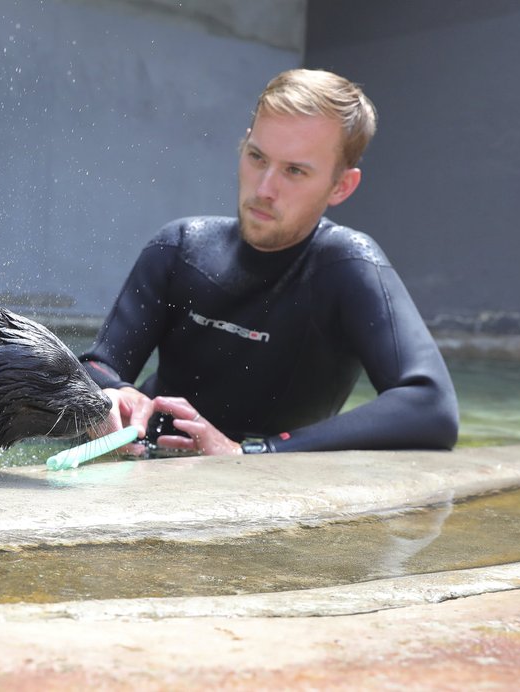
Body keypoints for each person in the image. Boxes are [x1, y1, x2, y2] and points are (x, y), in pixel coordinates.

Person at [80, 68, 459, 456]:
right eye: (257, 157)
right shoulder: (181, 247)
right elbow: (97, 365)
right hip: (146, 454)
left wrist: (251, 454)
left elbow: (431, 409)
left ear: (341, 186)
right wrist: (116, 393)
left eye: (294, 171)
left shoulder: (347, 266)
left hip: (269, 470)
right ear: (243, 146)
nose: (264, 189)